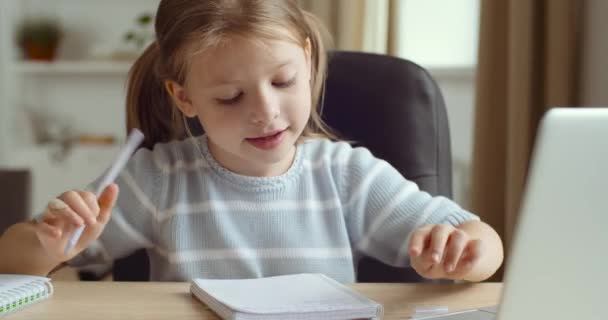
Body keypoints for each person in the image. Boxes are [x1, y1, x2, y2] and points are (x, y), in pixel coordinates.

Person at [0, 0, 503, 283]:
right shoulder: (159, 180)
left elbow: (485, 243)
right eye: (230, 97)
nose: (265, 112)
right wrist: (47, 242)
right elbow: (13, 260)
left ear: (307, 61)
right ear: (185, 97)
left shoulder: (346, 174)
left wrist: (466, 251)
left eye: (282, 83)